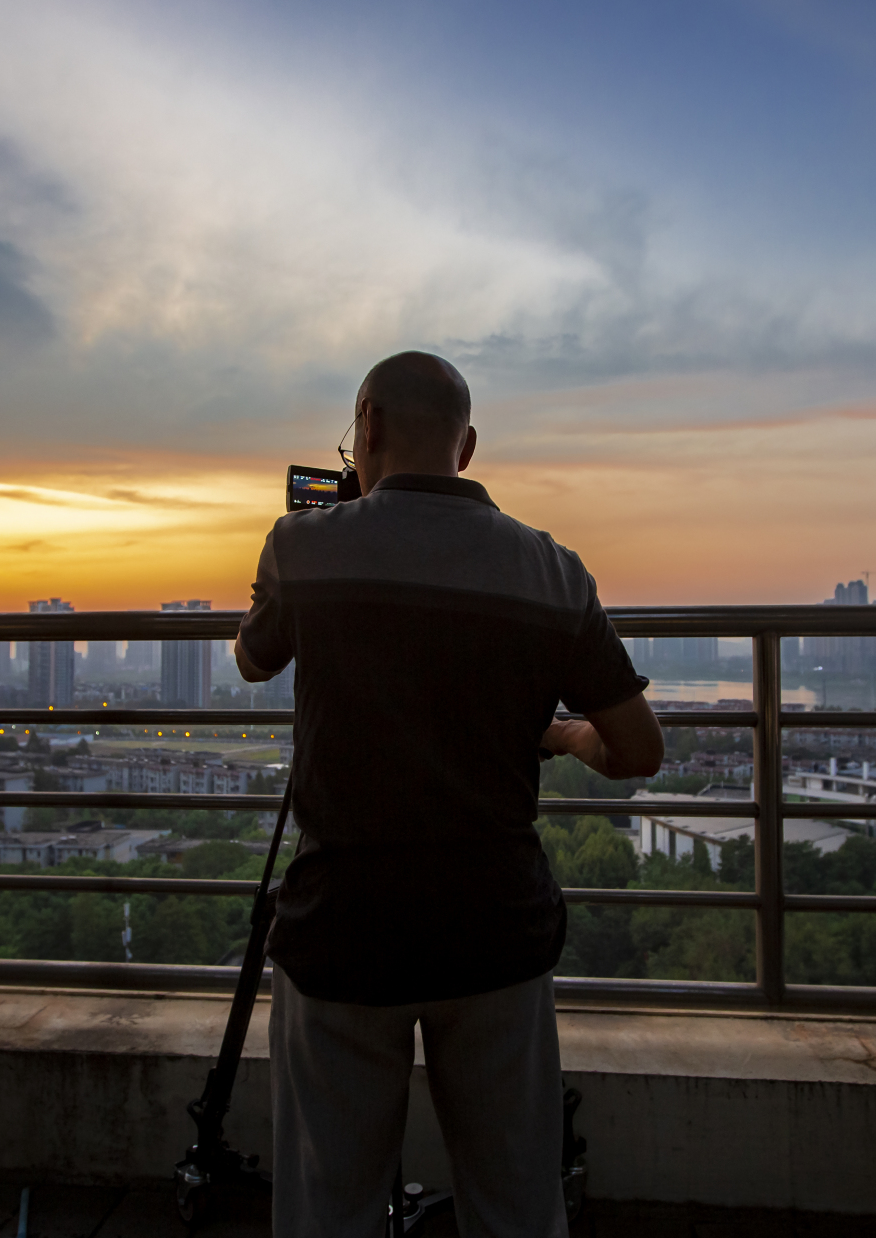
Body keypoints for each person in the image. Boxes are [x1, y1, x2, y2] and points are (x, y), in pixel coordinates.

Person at [236, 350, 663, 1237]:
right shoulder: (554, 571)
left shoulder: (304, 547)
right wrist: (564, 733)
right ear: (467, 447)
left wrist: (326, 535)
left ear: (368, 429)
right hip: (495, 930)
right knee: (515, 1201)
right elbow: (638, 748)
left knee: (328, 1205)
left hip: (345, 931)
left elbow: (253, 656)